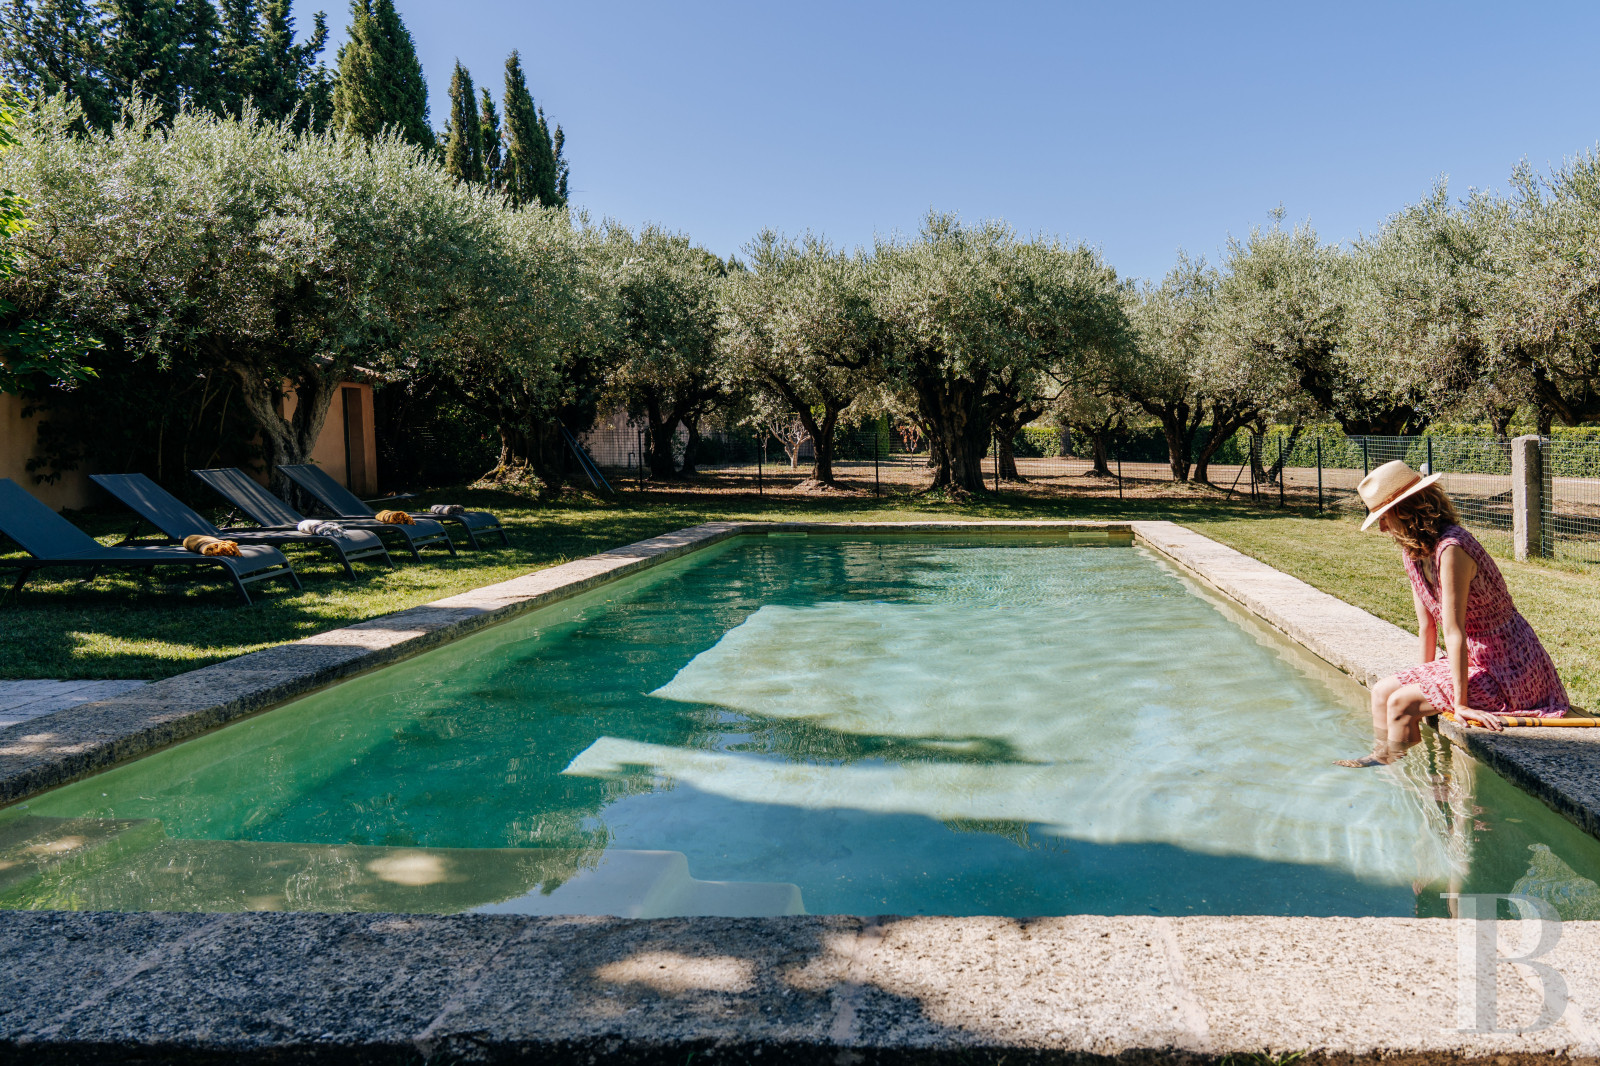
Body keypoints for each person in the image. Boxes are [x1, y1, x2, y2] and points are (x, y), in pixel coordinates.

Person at [1336, 460, 1569, 768]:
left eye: (1384, 516)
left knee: (1401, 704)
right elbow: (1426, 626)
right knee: (1382, 693)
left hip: (1509, 668)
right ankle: (1386, 760)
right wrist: (1426, 682)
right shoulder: (1415, 551)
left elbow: (1454, 630)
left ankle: (1411, 773)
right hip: (1471, 661)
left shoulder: (1452, 549)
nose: (1381, 526)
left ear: (1407, 510)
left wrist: (1458, 703)